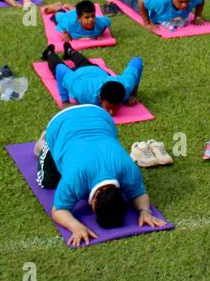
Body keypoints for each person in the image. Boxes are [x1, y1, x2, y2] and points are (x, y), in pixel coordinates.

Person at [33, 104, 166, 246]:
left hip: (101, 116)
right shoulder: (74, 180)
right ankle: (42, 144)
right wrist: (75, 227)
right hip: (61, 123)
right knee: (47, 182)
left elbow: (138, 193)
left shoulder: (128, 170)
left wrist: (145, 211)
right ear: (94, 204)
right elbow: (58, 210)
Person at [40, 42, 141, 112]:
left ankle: (69, 51)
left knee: (83, 62)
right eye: (109, 108)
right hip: (78, 75)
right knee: (56, 66)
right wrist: (65, 101)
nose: (112, 113)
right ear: (100, 99)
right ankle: (50, 53)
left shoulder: (127, 85)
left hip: (94, 69)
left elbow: (137, 60)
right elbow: (60, 69)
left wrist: (133, 94)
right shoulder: (82, 91)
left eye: (116, 107)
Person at [110, 0, 205, 31]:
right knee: (135, 3)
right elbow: (141, 1)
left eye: (187, 1)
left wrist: (198, 16)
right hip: (152, 11)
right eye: (181, 2)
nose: (184, 5)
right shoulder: (161, 1)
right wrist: (147, 23)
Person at [43, 0, 112, 44]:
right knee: (56, 15)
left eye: (93, 16)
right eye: (87, 17)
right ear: (79, 18)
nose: (91, 20)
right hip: (67, 17)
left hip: (76, 15)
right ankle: (57, 6)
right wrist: (66, 34)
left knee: (80, 13)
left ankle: (71, 7)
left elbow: (107, 22)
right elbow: (63, 28)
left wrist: (100, 34)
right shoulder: (69, 24)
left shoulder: (100, 23)